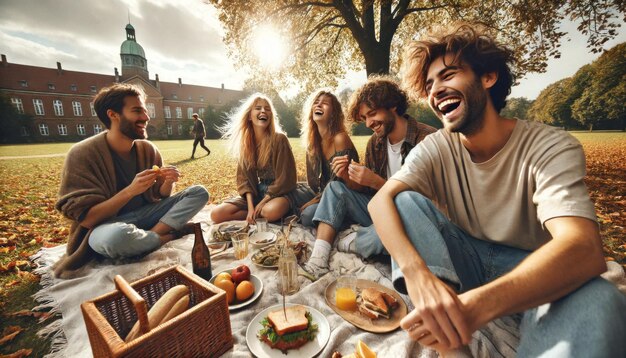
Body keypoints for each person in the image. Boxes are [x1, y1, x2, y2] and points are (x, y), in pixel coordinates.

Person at [368, 24, 626, 355]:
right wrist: (418, 274)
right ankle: (448, 339)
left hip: (535, 271)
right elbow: (380, 202)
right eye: (430, 85)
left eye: (448, 76)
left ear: (488, 77)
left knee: (601, 298)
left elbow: (582, 247)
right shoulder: (437, 147)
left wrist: (477, 306)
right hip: (465, 257)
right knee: (404, 200)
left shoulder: (550, 145)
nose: (436, 91)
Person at [54, 83, 209, 278]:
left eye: (145, 111)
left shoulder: (148, 149)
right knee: (115, 238)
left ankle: (150, 237)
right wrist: (130, 191)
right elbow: (87, 218)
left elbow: (160, 196)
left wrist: (168, 182)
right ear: (113, 115)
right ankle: (165, 237)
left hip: (147, 216)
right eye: (137, 111)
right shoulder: (82, 153)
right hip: (105, 226)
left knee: (199, 192)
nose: (145, 117)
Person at [303, 77, 436, 278]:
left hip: (410, 217)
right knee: (334, 189)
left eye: (372, 114)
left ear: (392, 105)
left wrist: (376, 181)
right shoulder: (376, 143)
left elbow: (427, 203)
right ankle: (318, 261)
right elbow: (367, 192)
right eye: (364, 117)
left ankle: (356, 240)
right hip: (380, 209)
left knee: (392, 235)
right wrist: (351, 177)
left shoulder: (426, 139)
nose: (368, 123)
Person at [210, 94, 303, 224]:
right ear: (249, 116)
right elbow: (245, 180)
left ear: (271, 116)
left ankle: (278, 211)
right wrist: (250, 208)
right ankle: (256, 215)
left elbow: (286, 179)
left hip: (281, 192)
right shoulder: (246, 143)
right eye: (258, 108)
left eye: (267, 109)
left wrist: (264, 201)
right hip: (259, 192)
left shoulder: (279, 139)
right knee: (216, 214)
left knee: (269, 212)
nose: (263, 111)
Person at [299, 90, 360, 227]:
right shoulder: (312, 144)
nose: (318, 105)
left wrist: (312, 202)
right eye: (316, 102)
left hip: (342, 197)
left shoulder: (340, 139)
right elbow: (313, 184)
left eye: (325, 103)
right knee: (293, 194)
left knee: (308, 215)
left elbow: (338, 186)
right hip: (322, 194)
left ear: (333, 113)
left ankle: (340, 221)